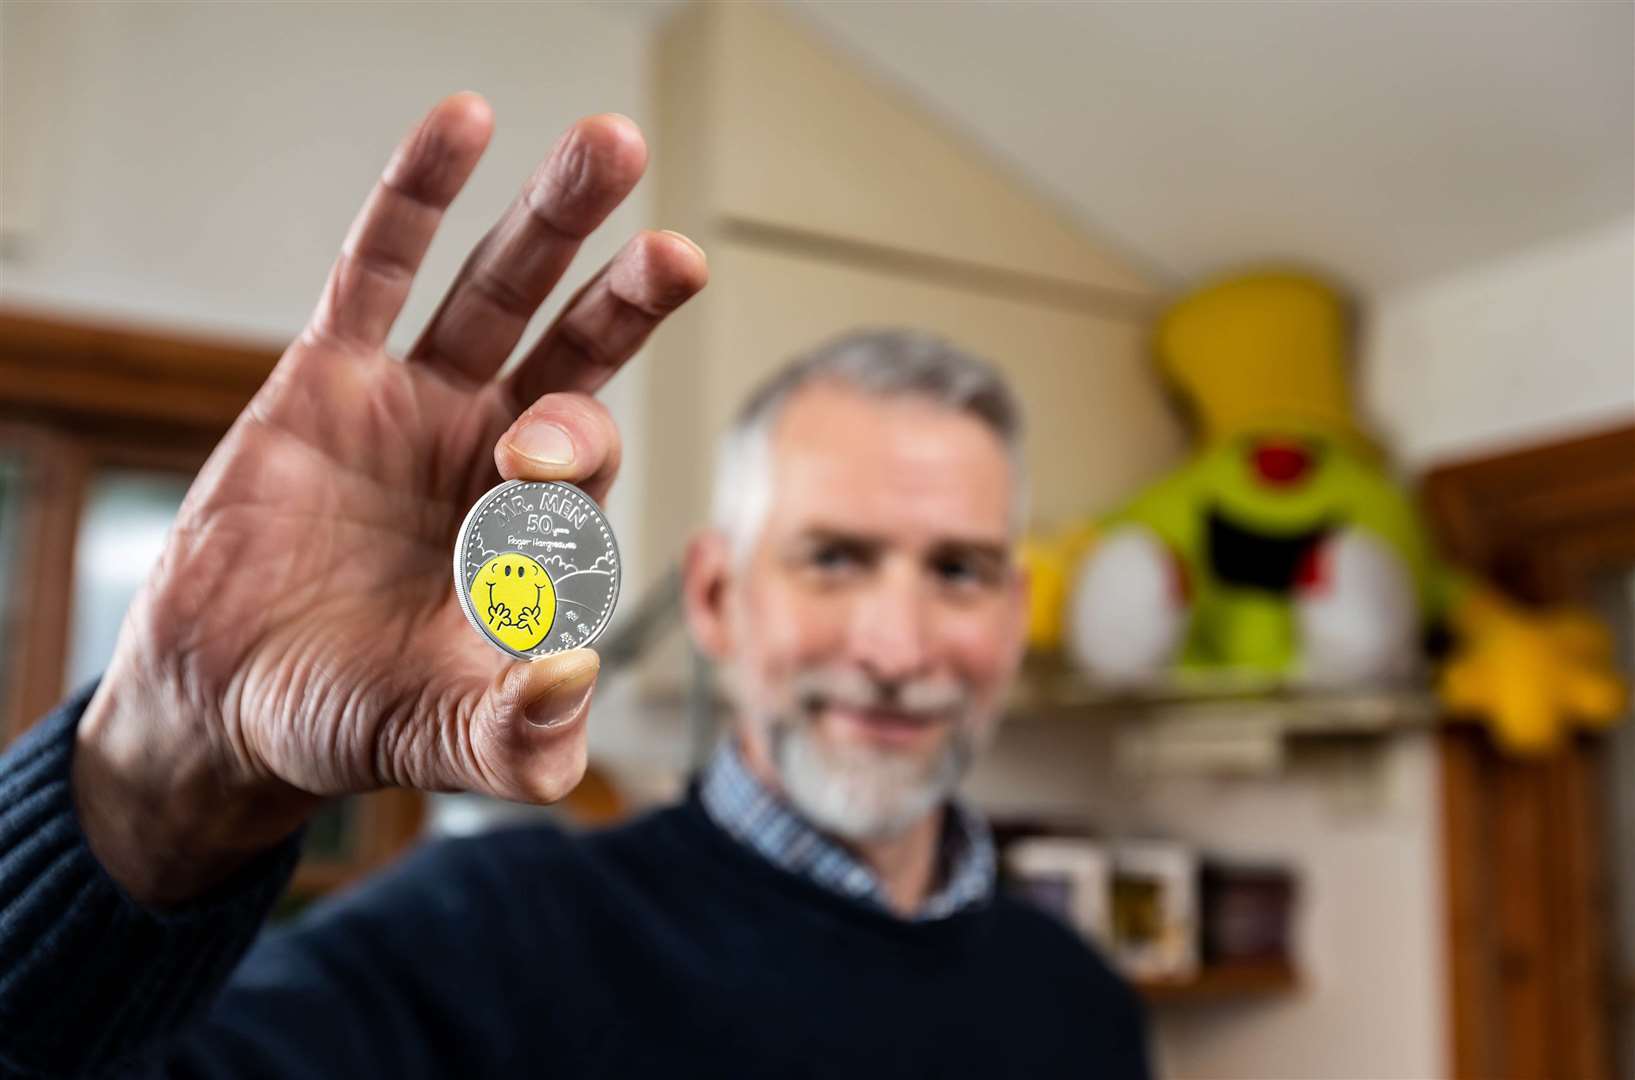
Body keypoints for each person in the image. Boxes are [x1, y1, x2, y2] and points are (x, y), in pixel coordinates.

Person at [0, 95, 1149, 1079]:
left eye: (958, 571)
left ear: (1011, 616)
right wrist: (165, 770)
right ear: (712, 599)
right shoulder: (484, 937)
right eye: (833, 559)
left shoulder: (1083, 1004)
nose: (898, 648)